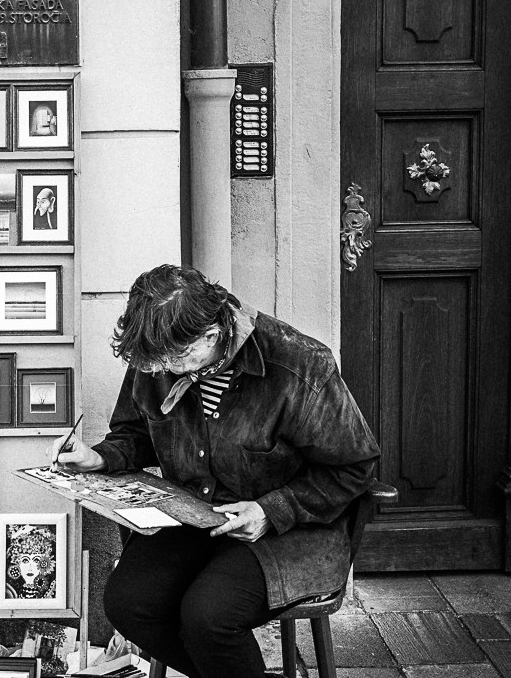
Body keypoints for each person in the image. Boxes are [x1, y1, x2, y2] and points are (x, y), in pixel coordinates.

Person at [52, 264, 380, 678]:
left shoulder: (299, 365)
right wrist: (99, 457)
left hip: (289, 527)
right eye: (157, 361)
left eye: (177, 358)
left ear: (211, 335)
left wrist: (270, 511)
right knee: (128, 604)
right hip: (195, 514)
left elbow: (356, 467)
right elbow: (135, 433)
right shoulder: (160, 354)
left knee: (209, 616)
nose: (165, 369)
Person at [4, 525, 57, 600]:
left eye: (36, 560)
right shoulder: (8, 593)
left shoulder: (53, 591)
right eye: (25, 560)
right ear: (17, 562)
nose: (30, 567)